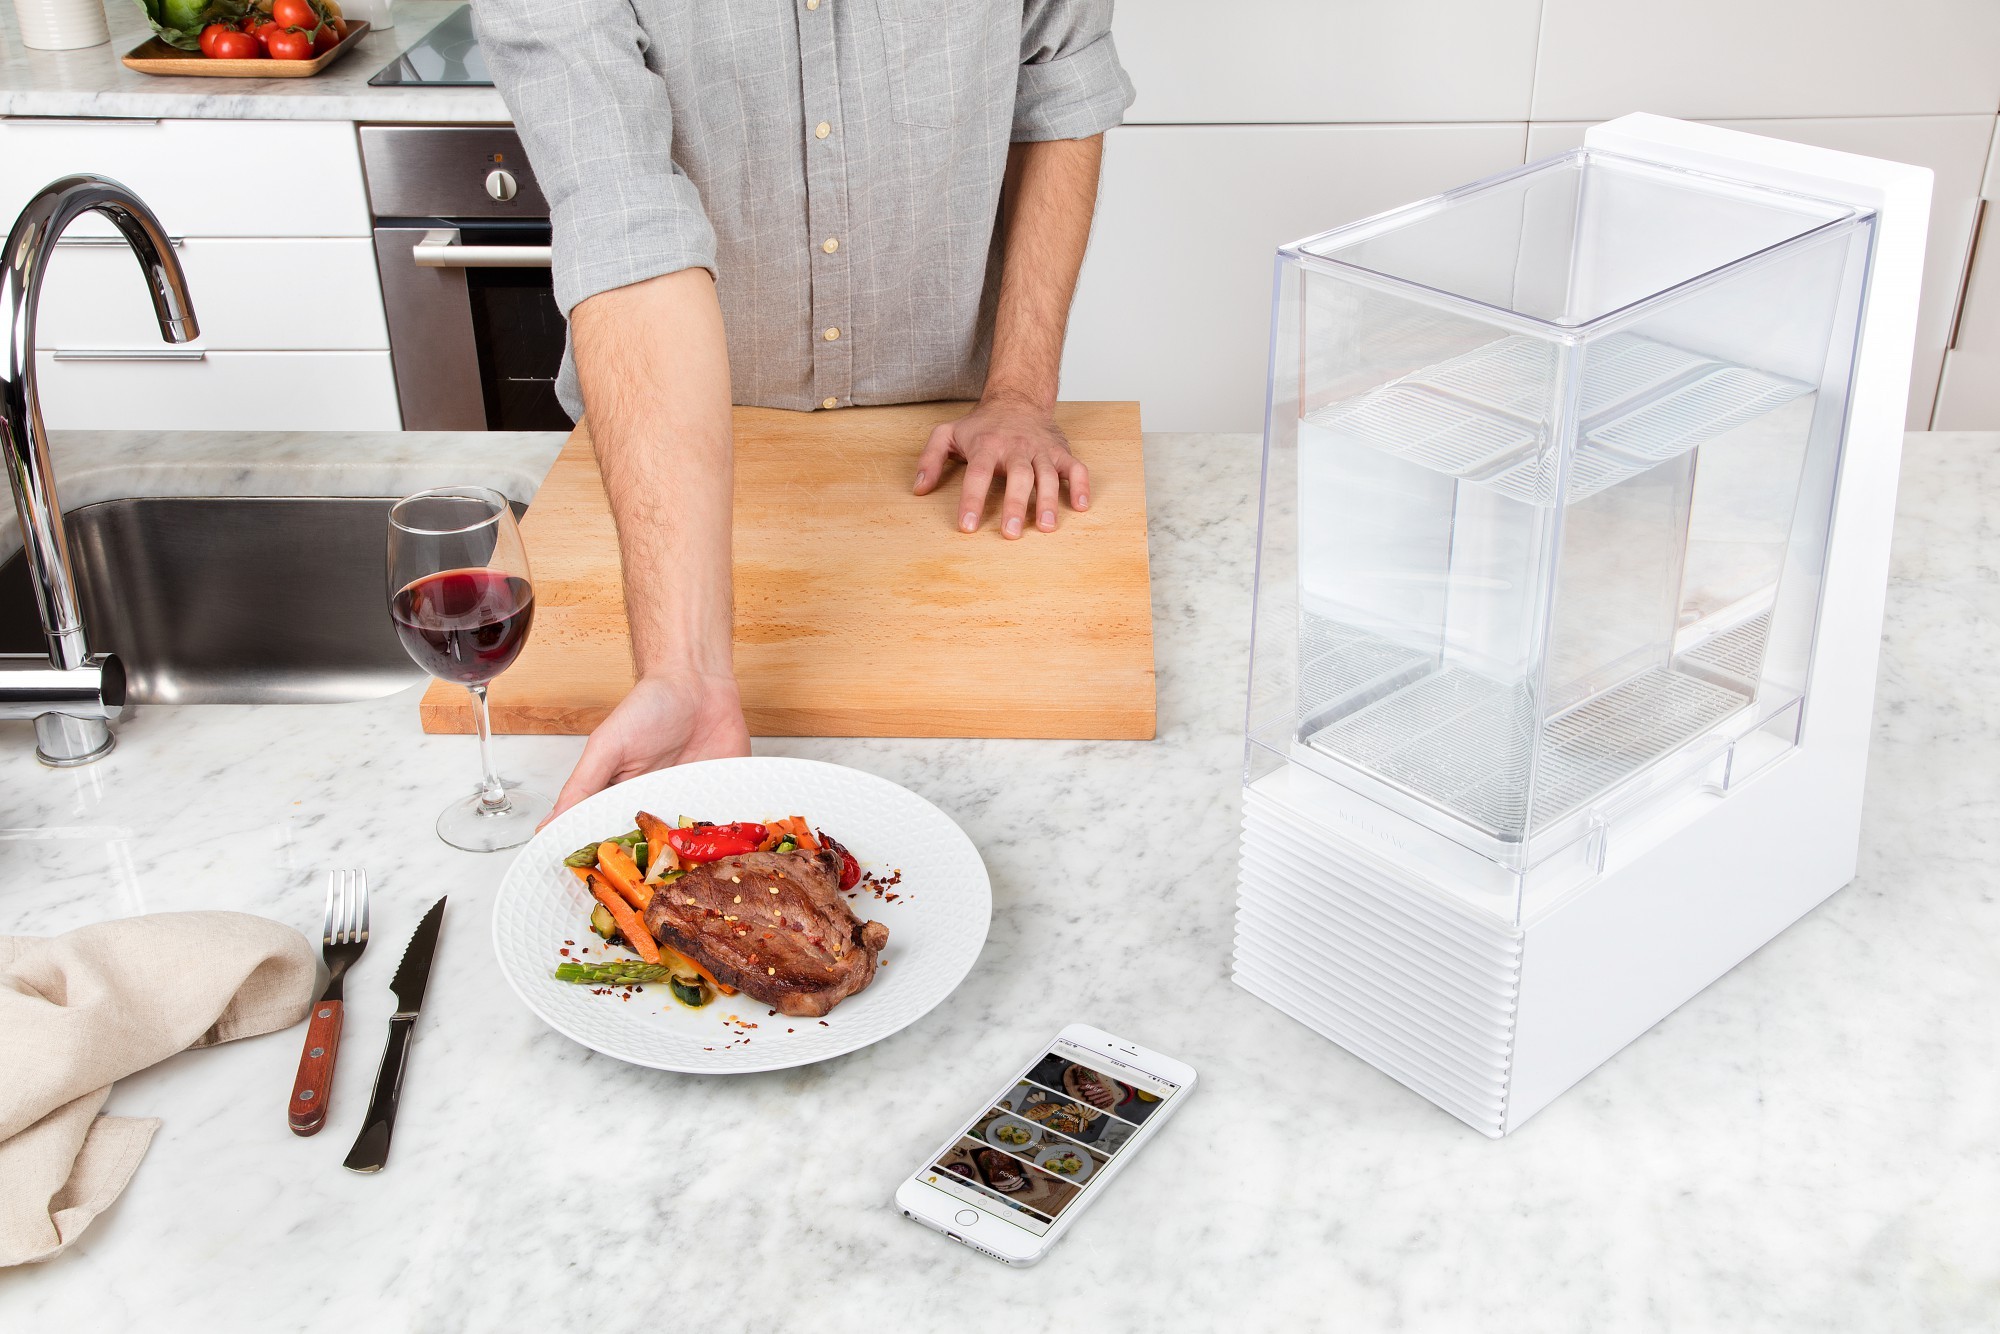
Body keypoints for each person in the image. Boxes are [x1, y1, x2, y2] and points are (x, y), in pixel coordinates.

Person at [475, 0, 1134, 818]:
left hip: (947, 425)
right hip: (676, 441)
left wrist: (1020, 391)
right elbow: (625, 217)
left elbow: (1059, 83)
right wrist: (685, 672)